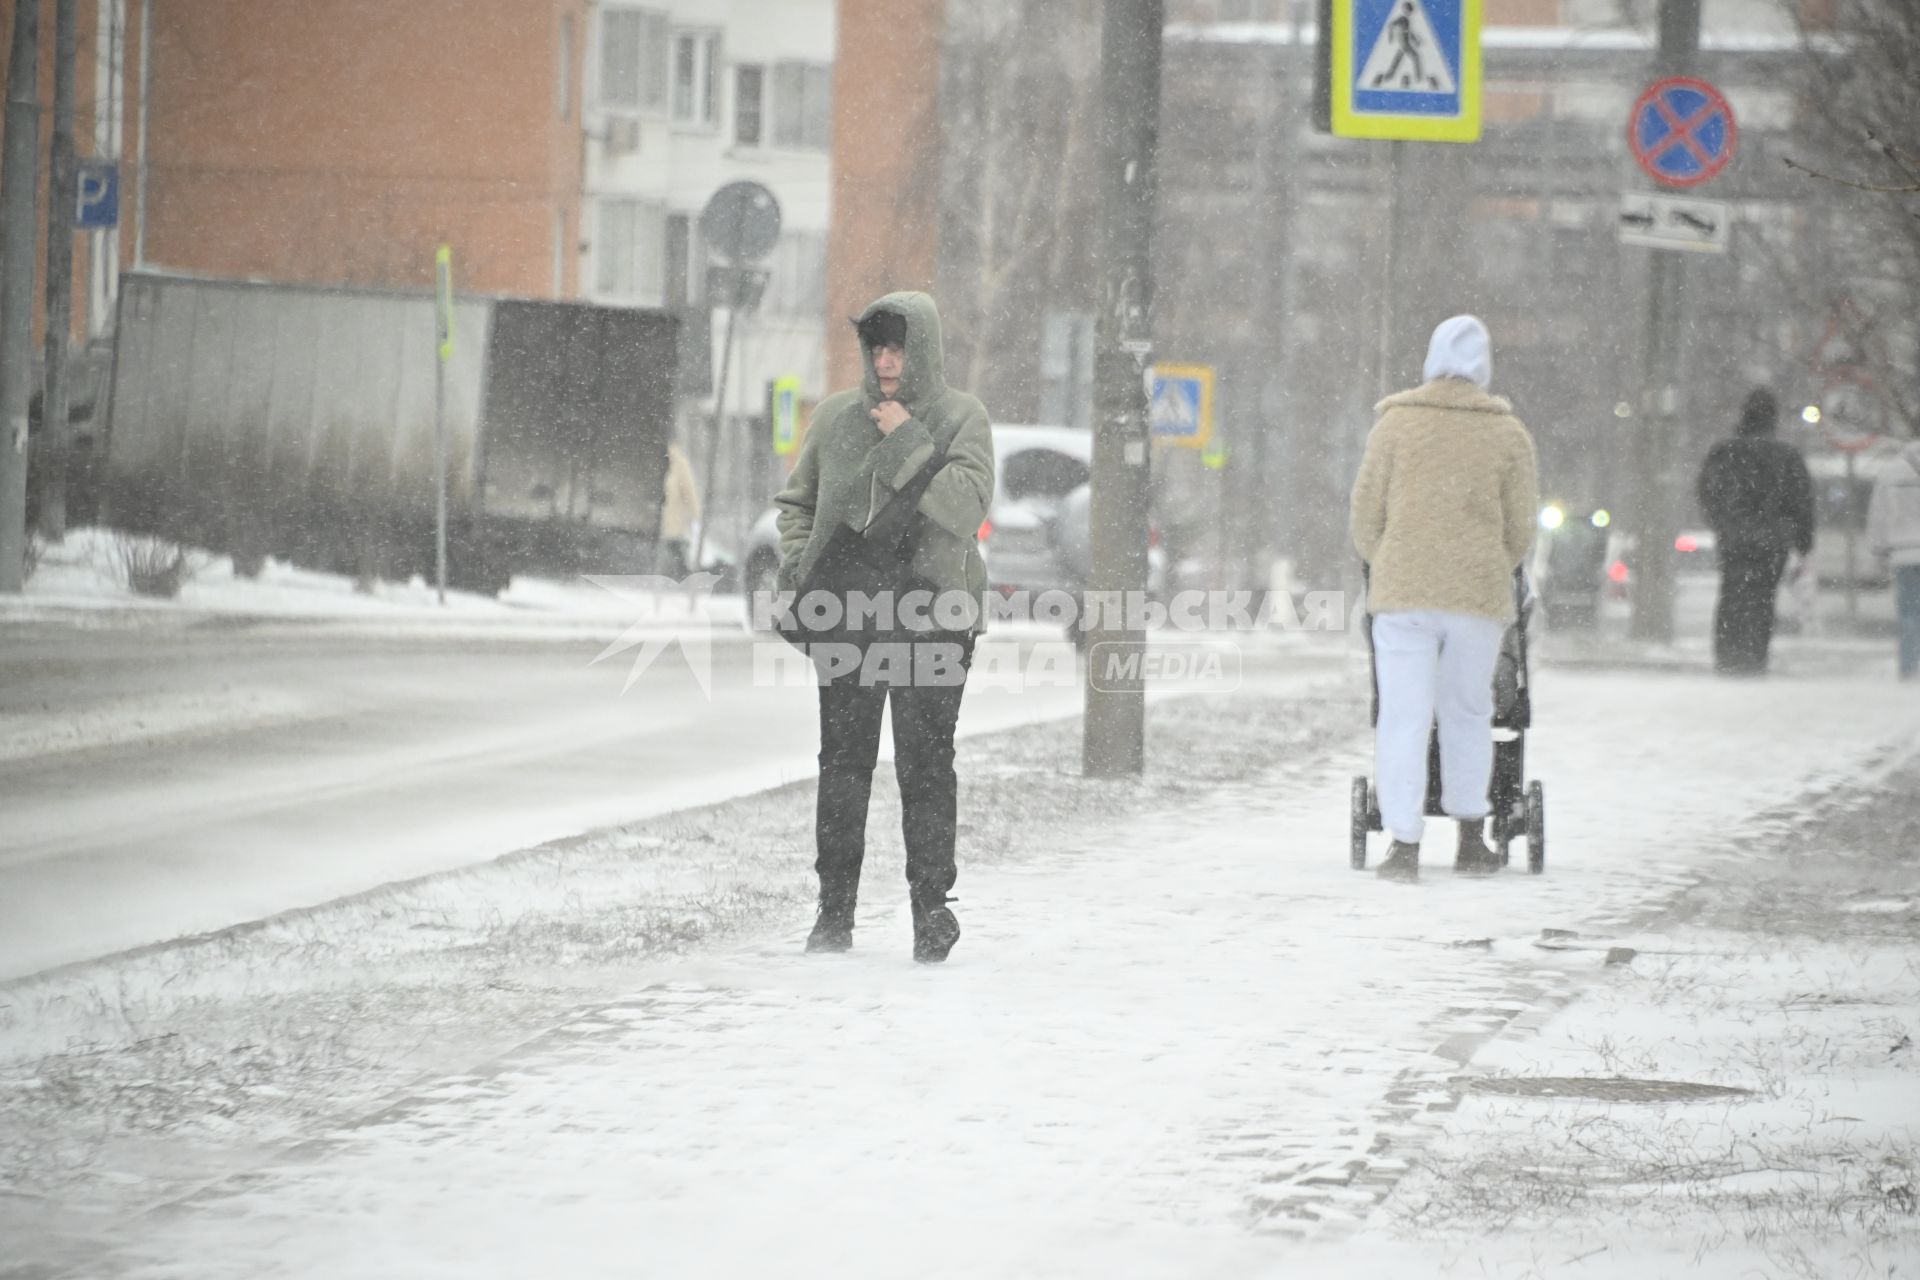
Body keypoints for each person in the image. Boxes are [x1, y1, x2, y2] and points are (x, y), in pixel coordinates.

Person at [773, 291, 994, 961]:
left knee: (927, 768)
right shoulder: (836, 416)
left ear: (920, 348)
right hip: (849, 615)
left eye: (898, 347)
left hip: (934, 617)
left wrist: (904, 436)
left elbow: (963, 505)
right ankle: (833, 914)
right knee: (843, 767)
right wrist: (797, 562)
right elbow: (796, 503)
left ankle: (931, 913)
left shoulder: (962, 418)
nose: (887, 360)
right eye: (877, 347)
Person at [1350, 315, 1539, 883]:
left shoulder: (1395, 426)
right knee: (1468, 712)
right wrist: (1486, 564)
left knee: (1403, 717)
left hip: (1403, 593)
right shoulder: (1508, 434)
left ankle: (1404, 846)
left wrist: (1387, 558)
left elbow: (1364, 518)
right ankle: (1470, 837)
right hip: (1476, 596)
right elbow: (1521, 530)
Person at [1695, 389, 1814, 675]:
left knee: (1732, 595)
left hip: (1734, 539)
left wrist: (1721, 522)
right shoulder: (1786, 456)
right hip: (1772, 541)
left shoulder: (1725, 452)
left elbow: (1707, 491)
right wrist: (1803, 540)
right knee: (1762, 599)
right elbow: (1801, 500)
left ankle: (1727, 657)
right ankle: (1754, 657)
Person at [1866, 438, 1920, 679]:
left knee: (1909, 613)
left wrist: (1878, 551)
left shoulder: (1891, 471)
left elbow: (1879, 513)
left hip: (1903, 553)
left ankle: (1908, 667)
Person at [655, 440, 700, 579]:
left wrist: (695, 515)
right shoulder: (668, 467)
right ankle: (679, 575)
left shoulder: (680, 466)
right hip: (668, 521)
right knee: (672, 548)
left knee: (677, 548)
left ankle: (684, 575)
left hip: (677, 521)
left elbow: (690, 492)